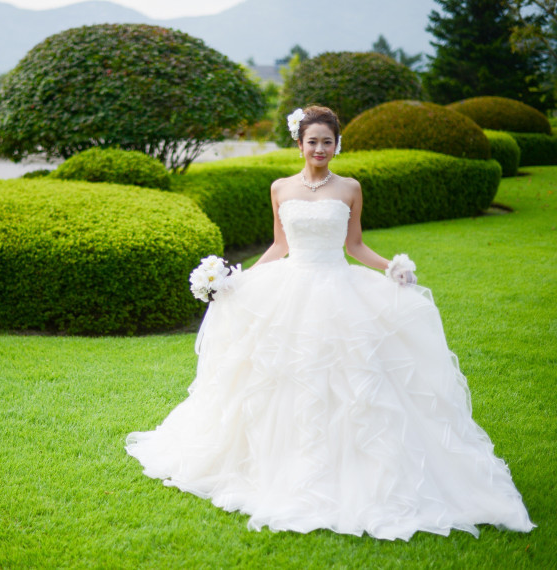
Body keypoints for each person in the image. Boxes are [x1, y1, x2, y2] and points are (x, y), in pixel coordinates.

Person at [125, 105, 535, 541]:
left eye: (327, 141)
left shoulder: (350, 188)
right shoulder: (280, 188)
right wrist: (239, 279)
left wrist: (390, 268)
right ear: (299, 144)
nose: (319, 149)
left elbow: (354, 244)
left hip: (339, 288)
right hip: (290, 287)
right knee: (279, 377)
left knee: (355, 380)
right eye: (312, 141)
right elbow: (279, 245)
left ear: (337, 144)